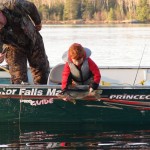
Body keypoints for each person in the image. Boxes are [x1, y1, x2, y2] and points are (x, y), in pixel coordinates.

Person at [0, 0, 50, 84]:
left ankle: (43, 95)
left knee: (42, 73)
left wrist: (38, 22)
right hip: (13, 48)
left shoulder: (13, 5)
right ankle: (21, 95)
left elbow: (31, 7)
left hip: (33, 40)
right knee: (18, 79)